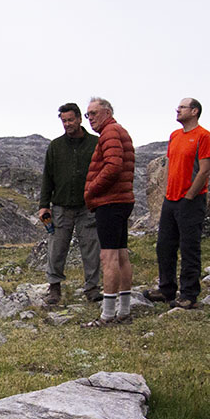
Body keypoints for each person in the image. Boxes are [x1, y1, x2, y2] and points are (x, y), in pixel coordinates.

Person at [144, 98, 210, 309]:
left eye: (182, 107)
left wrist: (190, 196)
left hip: (190, 201)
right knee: (164, 246)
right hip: (170, 199)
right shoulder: (174, 136)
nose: (178, 110)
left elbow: (204, 170)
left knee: (189, 247)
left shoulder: (204, 136)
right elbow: (170, 166)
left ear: (194, 111)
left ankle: (189, 294)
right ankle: (166, 289)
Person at [38, 103, 102, 305]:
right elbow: (47, 176)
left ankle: (92, 288)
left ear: (79, 119)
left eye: (70, 120)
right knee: (56, 247)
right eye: (64, 121)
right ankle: (54, 287)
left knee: (91, 247)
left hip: (88, 206)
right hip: (60, 207)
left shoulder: (96, 143)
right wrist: (43, 204)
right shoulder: (55, 146)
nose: (67, 124)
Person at [81, 97, 135, 327]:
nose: (90, 118)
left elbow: (113, 166)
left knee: (109, 256)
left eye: (93, 113)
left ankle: (108, 315)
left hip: (110, 202)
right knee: (121, 254)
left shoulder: (110, 132)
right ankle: (123, 311)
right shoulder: (116, 131)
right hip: (121, 200)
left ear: (107, 112)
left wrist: (91, 190)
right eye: (88, 115)